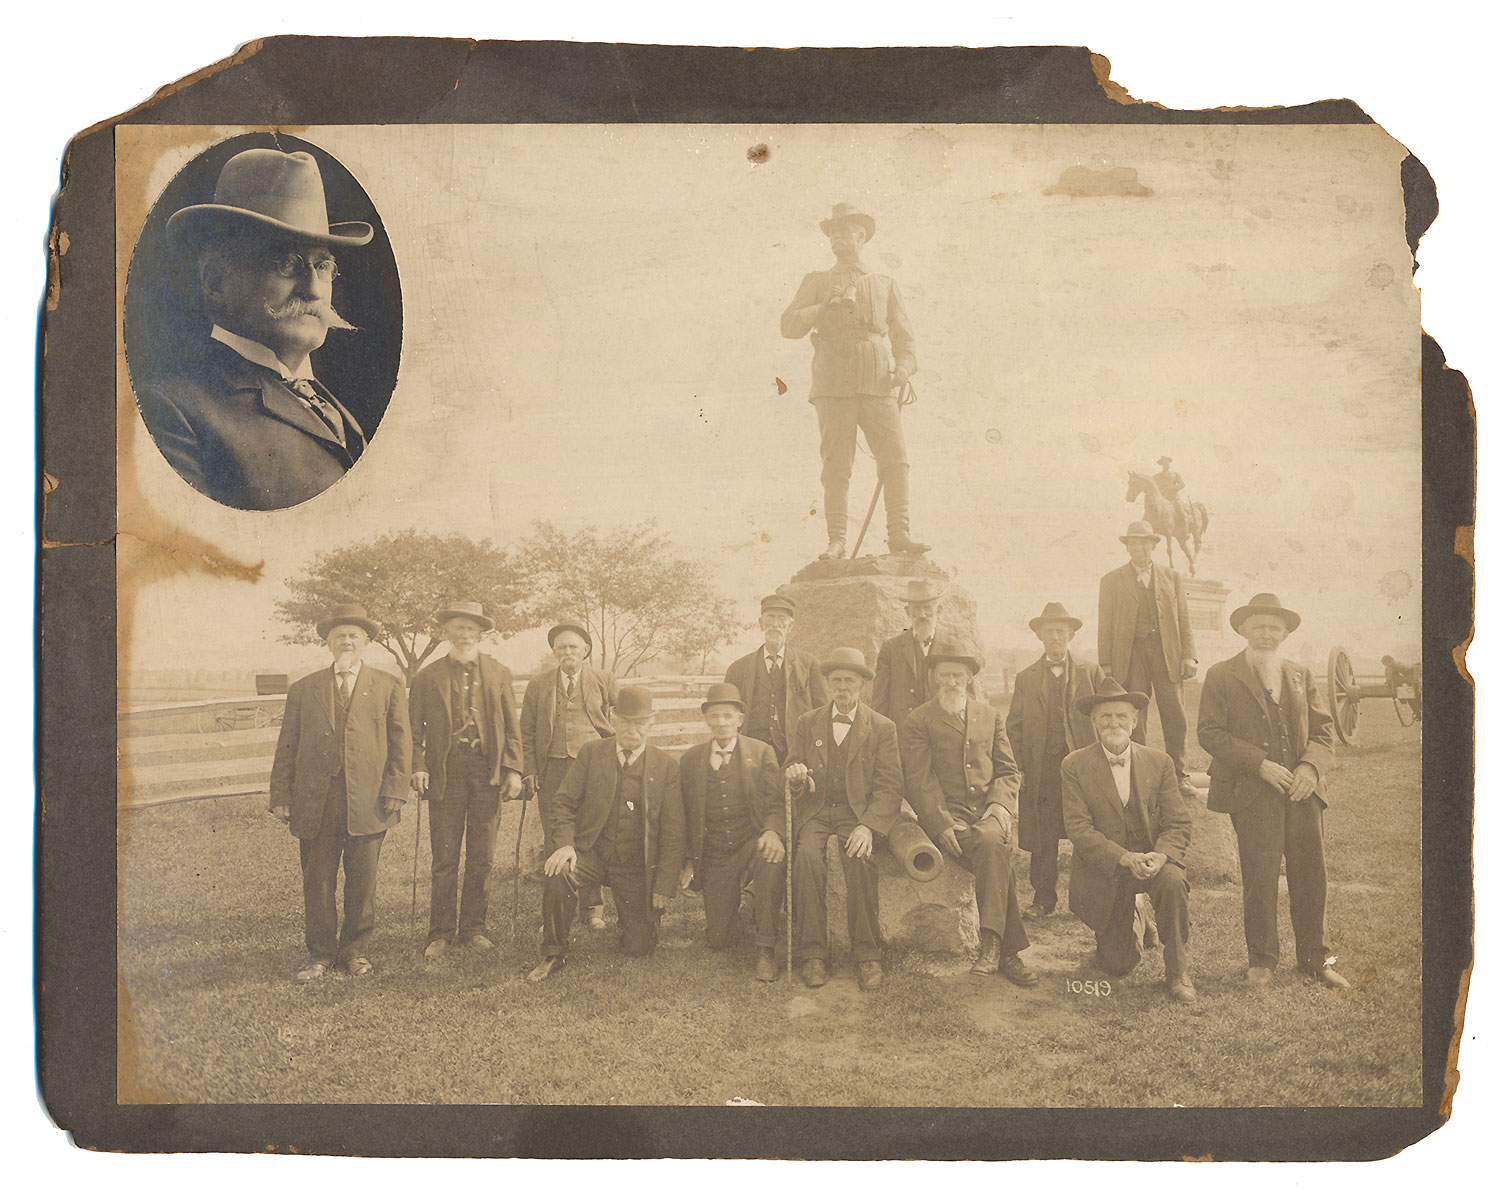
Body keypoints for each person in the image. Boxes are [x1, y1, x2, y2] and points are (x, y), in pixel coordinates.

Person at [139, 148, 372, 509]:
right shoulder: (171, 410)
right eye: (285, 263)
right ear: (216, 281)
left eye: (322, 266)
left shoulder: (336, 412)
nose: (313, 289)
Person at [1197, 593, 1347, 990]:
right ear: (1244, 630)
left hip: (1302, 792)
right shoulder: (1221, 674)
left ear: (1285, 632)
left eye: (1274, 627)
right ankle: (1262, 961)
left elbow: (1324, 730)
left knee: (1311, 877)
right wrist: (1259, 764)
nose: (1266, 634)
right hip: (1253, 793)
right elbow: (1209, 732)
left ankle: (1317, 959)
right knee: (1260, 878)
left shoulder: (1299, 673)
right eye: (1258, 626)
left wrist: (1310, 767)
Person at [268, 603, 410, 982]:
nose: (346, 641)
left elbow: (401, 743)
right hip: (316, 801)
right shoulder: (304, 689)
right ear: (329, 644)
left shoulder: (388, 686)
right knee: (318, 879)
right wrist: (282, 795)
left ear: (365, 642)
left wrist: (396, 788)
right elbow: (287, 744)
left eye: (354, 636)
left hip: (368, 800)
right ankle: (320, 954)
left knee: (362, 880)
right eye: (339, 636)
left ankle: (356, 952)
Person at [780, 202, 928, 559]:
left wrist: (904, 369)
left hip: (879, 382)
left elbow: (905, 340)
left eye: (843, 232)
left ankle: (899, 535)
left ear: (861, 236)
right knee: (836, 463)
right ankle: (837, 541)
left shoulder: (884, 284)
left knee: (895, 458)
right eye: (831, 233)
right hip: (833, 381)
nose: (835, 239)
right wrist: (818, 309)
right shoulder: (815, 281)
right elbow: (787, 326)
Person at [900, 643, 1037, 985]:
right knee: (995, 848)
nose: (951, 681)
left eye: (958, 675)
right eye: (944, 674)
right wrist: (940, 822)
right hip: (950, 816)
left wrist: (1001, 806)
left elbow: (1008, 770)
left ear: (970, 678)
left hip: (988, 812)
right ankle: (1002, 950)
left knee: (992, 840)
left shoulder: (990, 715)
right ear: (934, 678)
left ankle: (997, 947)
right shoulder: (919, 719)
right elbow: (919, 780)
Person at [528, 686, 685, 981]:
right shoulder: (591, 753)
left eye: (639, 723)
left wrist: (663, 884)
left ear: (651, 724)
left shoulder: (665, 767)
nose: (632, 730)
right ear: (613, 719)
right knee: (560, 870)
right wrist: (565, 845)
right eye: (625, 722)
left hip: (635, 865)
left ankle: (634, 921)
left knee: (639, 947)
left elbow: (674, 833)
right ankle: (553, 952)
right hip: (592, 855)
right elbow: (562, 802)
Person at [1060, 679, 1196, 1004]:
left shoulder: (1159, 761)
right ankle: (1136, 914)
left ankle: (1177, 971)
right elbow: (1079, 830)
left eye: (1122, 716)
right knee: (1118, 965)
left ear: (1134, 721)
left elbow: (1178, 821)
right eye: (1105, 717)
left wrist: (1161, 856)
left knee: (1173, 881)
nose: (1114, 723)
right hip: (1108, 867)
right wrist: (1123, 858)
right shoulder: (1074, 765)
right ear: (1094, 723)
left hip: (1152, 860)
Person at [408, 601, 524, 961]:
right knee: (445, 856)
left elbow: (511, 726)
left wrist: (514, 769)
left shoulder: (499, 672)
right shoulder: (428, 676)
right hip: (447, 772)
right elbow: (414, 732)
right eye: (459, 628)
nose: (465, 634)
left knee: (482, 855)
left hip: (486, 772)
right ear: (447, 633)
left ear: (481, 633)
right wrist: (418, 766)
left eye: (472, 628)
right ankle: (440, 933)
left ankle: (474, 928)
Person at [784, 647, 904, 991]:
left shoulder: (883, 728)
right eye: (835, 680)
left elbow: (890, 786)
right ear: (827, 684)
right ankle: (813, 954)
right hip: (818, 809)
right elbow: (793, 769)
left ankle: (867, 955)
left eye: (849, 680)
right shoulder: (808, 722)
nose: (842, 687)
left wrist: (869, 826)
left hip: (858, 813)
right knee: (806, 857)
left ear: (863, 684)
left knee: (860, 858)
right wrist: (797, 778)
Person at [1005, 602, 1107, 919]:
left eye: (1061, 632)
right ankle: (1043, 898)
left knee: (1086, 828)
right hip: (1043, 767)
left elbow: (1107, 715)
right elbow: (1014, 726)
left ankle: (1088, 899)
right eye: (1049, 632)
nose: (1055, 638)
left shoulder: (1090, 672)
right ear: (1039, 636)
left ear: (1071, 635)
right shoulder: (1026, 677)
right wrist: (1019, 767)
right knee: (1044, 833)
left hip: (1082, 765)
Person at [678, 683, 787, 981]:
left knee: (771, 859)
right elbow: (684, 815)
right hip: (714, 852)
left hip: (751, 842)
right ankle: (748, 906)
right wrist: (687, 860)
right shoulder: (691, 760)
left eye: (728, 716)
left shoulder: (762, 752)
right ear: (707, 720)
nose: (721, 722)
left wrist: (773, 832)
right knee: (718, 940)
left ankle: (766, 948)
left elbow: (776, 802)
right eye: (715, 716)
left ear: (740, 719)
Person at [519, 621, 618, 930]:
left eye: (573, 647)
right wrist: (531, 770)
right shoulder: (539, 684)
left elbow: (622, 717)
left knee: (591, 832)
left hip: (594, 766)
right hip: (553, 768)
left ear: (585, 651)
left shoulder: (603, 679)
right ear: (554, 652)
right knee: (556, 835)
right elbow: (527, 730)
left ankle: (593, 909)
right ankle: (557, 910)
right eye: (561, 647)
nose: (567, 652)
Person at [1097, 520, 1198, 798]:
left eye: (1144, 543)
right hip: (1130, 657)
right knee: (1133, 717)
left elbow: (1184, 620)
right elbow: (1104, 624)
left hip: (1167, 655)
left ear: (1153, 546)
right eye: (1133, 543)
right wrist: (1106, 663)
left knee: (1175, 715)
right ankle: (1137, 776)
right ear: (1127, 547)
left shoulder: (1172, 577)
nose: (1139, 548)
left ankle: (1180, 776)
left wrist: (1189, 656)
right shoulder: (1111, 580)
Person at [723, 594, 827, 765]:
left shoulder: (809, 665)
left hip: (794, 752)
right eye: (770, 618)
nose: (775, 624)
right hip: (751, 753)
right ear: (760, 624)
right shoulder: (738, 669)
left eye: (781, 619)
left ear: (790, 626)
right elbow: (729, 714)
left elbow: (822, 713)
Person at [872, 578, 947, 734]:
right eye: (917, 608)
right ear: (908, 612)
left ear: (938, 610)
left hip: (942, 734)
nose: (922, 614)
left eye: (927, 608)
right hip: (904, 734)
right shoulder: (891, 648)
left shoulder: (951, 647)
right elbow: (880, 700)